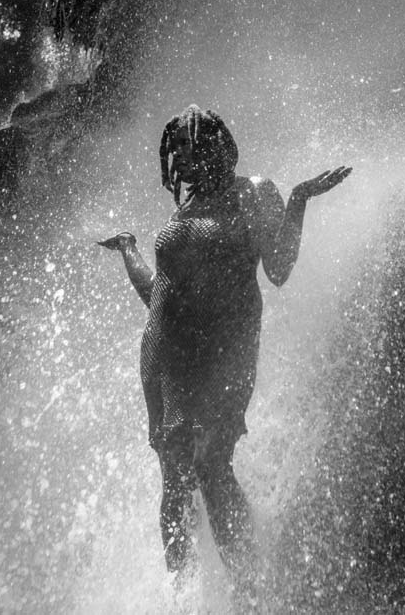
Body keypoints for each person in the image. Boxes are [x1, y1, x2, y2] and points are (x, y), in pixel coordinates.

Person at [99, 104, 352, 597]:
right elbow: (160, 298)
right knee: (175, 480)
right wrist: (130, 249)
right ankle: (182, 598)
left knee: (213, 466)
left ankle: (249, 592)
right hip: (166, 358)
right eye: (171, 147)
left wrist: (299, 198)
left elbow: (278, 268)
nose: (176, 153)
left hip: (226, 350)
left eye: (185, 143)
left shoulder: (252, 192)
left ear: (212, 141)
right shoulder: (184, 213)